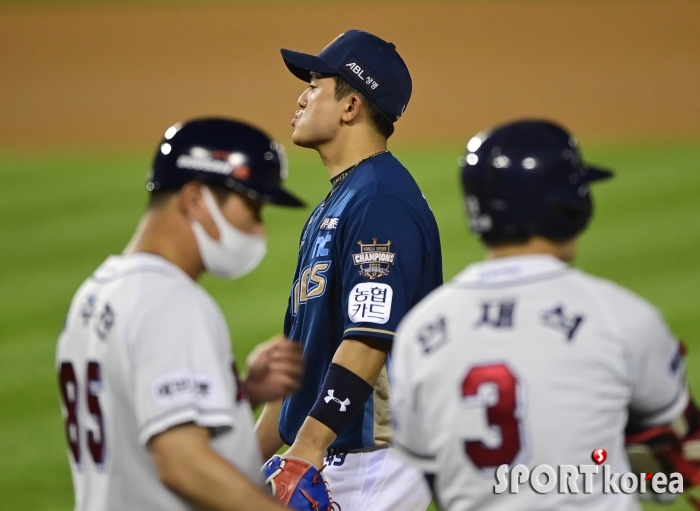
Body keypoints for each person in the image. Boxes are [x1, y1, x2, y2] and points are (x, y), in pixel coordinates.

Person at [390, 119, 700, 510]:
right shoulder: (618, 315)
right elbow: (683, 443)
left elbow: (427, 464)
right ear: (571, 206)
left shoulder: (420, 329)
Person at [56, 118, 306, 511]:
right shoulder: (169, 301)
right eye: (253, 207)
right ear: (195, 199)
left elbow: (134, 411)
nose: (259, 229)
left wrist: (241, 393)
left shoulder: (96, 293)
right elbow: (181, 463)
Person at [255, 29, 442, 511]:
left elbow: (369, 338)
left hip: (371, 459)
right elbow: (305, 364)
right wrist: (233, 465)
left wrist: (306, 451)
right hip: (332, 454)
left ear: (351, 105)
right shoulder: (341, 201)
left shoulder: (380, 200)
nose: (300, 97)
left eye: (314, 85)